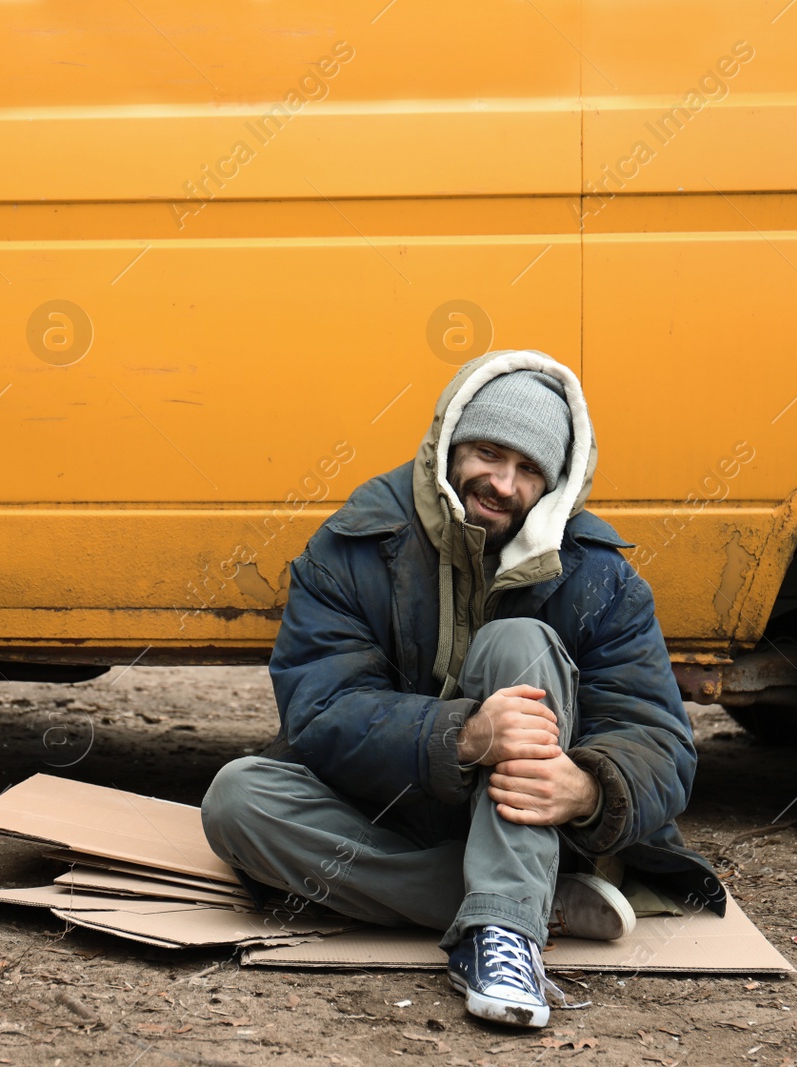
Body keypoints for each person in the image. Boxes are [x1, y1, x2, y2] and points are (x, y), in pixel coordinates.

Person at [201, 350, 723, 1029]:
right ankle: (538, 901)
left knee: (518, 644)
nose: (502, 482)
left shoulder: (600, 576)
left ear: (555, 482)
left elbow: (660, 740)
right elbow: (320, 712)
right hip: (383, 809)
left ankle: (507, 936)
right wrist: (465, 734)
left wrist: (591, 788)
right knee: (236, 801)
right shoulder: (354, 543)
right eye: (488, 452)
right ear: (451, 441)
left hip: (538, 821)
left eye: (528, 468)